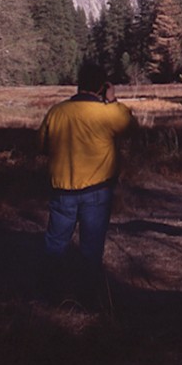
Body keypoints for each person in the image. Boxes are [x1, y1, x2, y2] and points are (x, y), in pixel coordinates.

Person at [38, 60, 138, 307]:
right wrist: (113, 101)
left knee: (55, 245)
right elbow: (131, 128)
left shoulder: (56, 112)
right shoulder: (108, 114)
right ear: (102, 87)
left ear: (79, 85)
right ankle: (87, 300)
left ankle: (50, 297)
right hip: (97, 192)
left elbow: (42, 146)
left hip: (62, 190)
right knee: (91, 249)